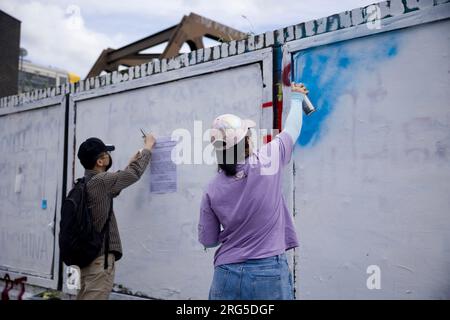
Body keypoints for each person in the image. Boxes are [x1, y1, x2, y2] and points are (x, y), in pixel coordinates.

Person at [198, 83, 309, 300]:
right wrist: (296, 98)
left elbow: (208, 241)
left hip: (225, 273)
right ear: (247, 139)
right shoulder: (268, 160)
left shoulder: (211, 188)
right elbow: (292, 129)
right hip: (268, 271)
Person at [75, 133, 155, 299]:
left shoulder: (85, 182)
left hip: (86, 260)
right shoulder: (101, 181)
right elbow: (133, 175)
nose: (109, 157)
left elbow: (116, 184)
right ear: (100, 161)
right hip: (99, 260)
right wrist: (148, 147)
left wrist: (131, 163)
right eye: (106, 154)